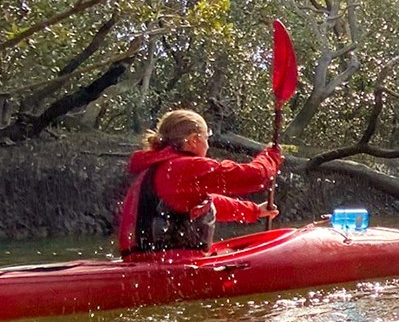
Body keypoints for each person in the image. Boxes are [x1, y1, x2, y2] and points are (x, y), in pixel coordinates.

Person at [118, 109, 283, 257]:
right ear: (193, 140)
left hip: (145, 261)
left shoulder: (156, 168)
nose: (208, 145)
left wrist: (253, 211)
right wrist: (271, 156)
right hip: (170, 265)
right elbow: (255, 177)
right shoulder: (184, 167)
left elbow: (208, 204)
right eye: (206, 138)